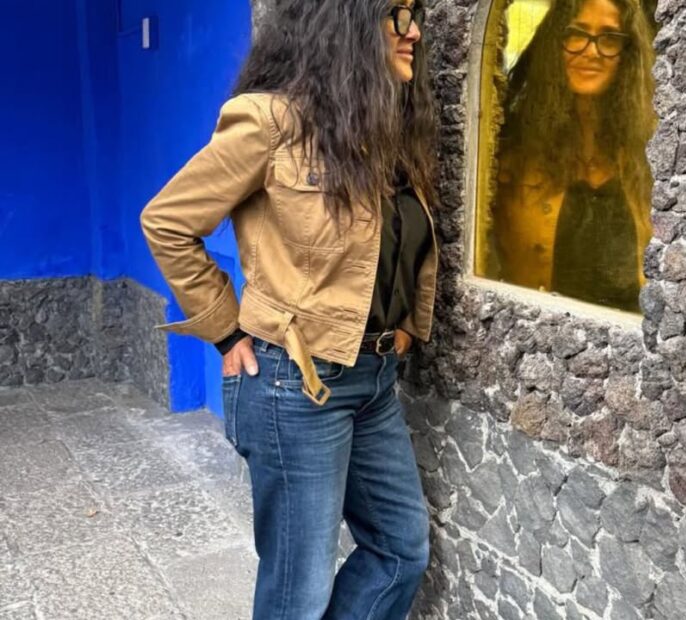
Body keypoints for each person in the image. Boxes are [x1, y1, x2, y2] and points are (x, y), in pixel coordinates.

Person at [139, 0, 439, 617]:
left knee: (400, 550)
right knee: (298, 593)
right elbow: (168, 222)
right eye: (396, 14)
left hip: (374, 377)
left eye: (415, 15)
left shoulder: (383, 127)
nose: (412, 32)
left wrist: (405, 326)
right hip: (293, 382)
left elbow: (392, 247)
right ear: (347, 23)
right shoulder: (271, 122)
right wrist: (226, 331)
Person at [493, 0, 655, 312]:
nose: (591, 51)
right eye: (577, 34)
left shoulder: (647, 156)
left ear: (627, 55)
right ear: (555, 43)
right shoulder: (512, 155)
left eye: (609, 38)